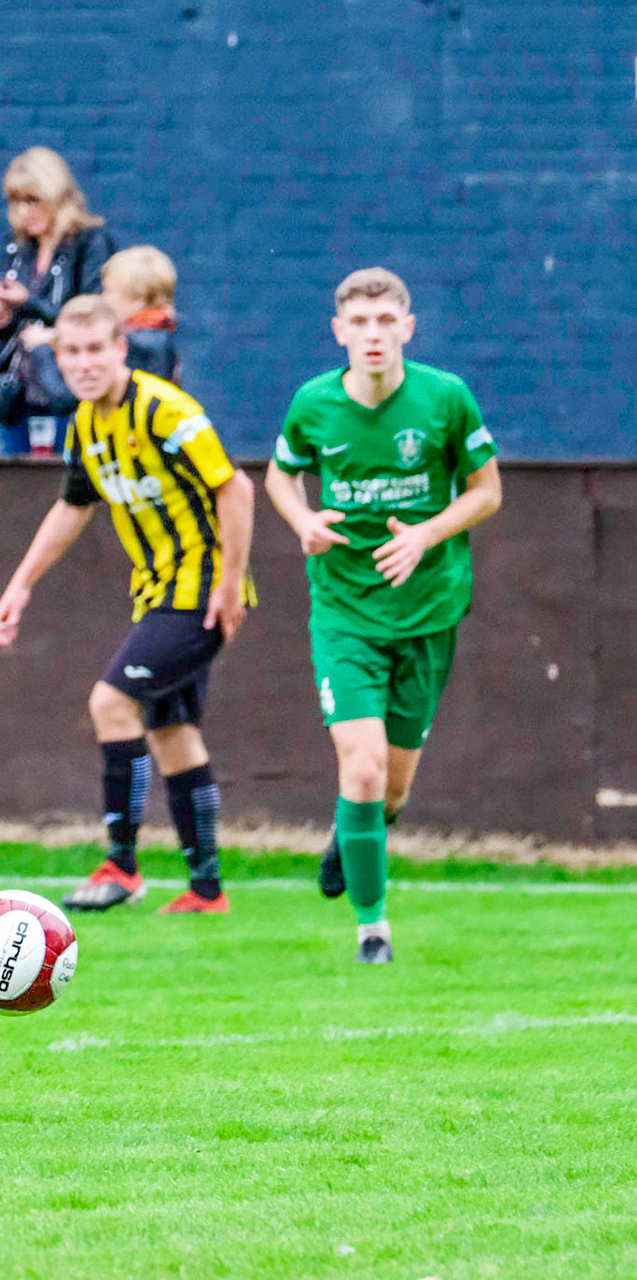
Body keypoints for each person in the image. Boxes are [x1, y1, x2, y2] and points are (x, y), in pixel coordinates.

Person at [264, 267, 502, 964]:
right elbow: (280, 473)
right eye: (360, 323)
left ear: (408, 327)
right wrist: (303, 520)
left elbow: (487, 491)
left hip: (428, 610)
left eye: (386, 321)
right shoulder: (314, 403)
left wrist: (426, 534)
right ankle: (373, 930)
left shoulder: (445, 397)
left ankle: (352, 833)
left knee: (391, 791)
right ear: (339, 331)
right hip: (344, 611)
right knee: (362, 768)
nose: (374, 334)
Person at [0, 296, 254, 914]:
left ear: (119, 350)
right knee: (172, 732)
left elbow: (236, 488)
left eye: (94, 350)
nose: (83, 364)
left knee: (111, 703)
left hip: (200, 592)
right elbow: (73, 505)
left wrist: (230, 583)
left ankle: (122, 866)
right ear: (59, 358)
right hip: (157, 593)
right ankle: (207, 891)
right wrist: (21, 584)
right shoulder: (85, 423)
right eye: (71, 353)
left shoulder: (163, 409)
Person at [0, 146, 115, 455]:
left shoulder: (90, 242)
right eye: (16, 201)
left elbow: (94, 316)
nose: (23, 212)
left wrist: (29, 304)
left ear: (56, 197)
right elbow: (9, 331)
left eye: (32, 200)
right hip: (19, 390)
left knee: (66, 467)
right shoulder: (18, 246)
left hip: (68, 384)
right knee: (17, 474)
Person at [100, 245, 180, 382]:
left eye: (109, 291)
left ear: (139, 297)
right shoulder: (161, 332)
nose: (103, 298)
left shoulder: (142, 343)